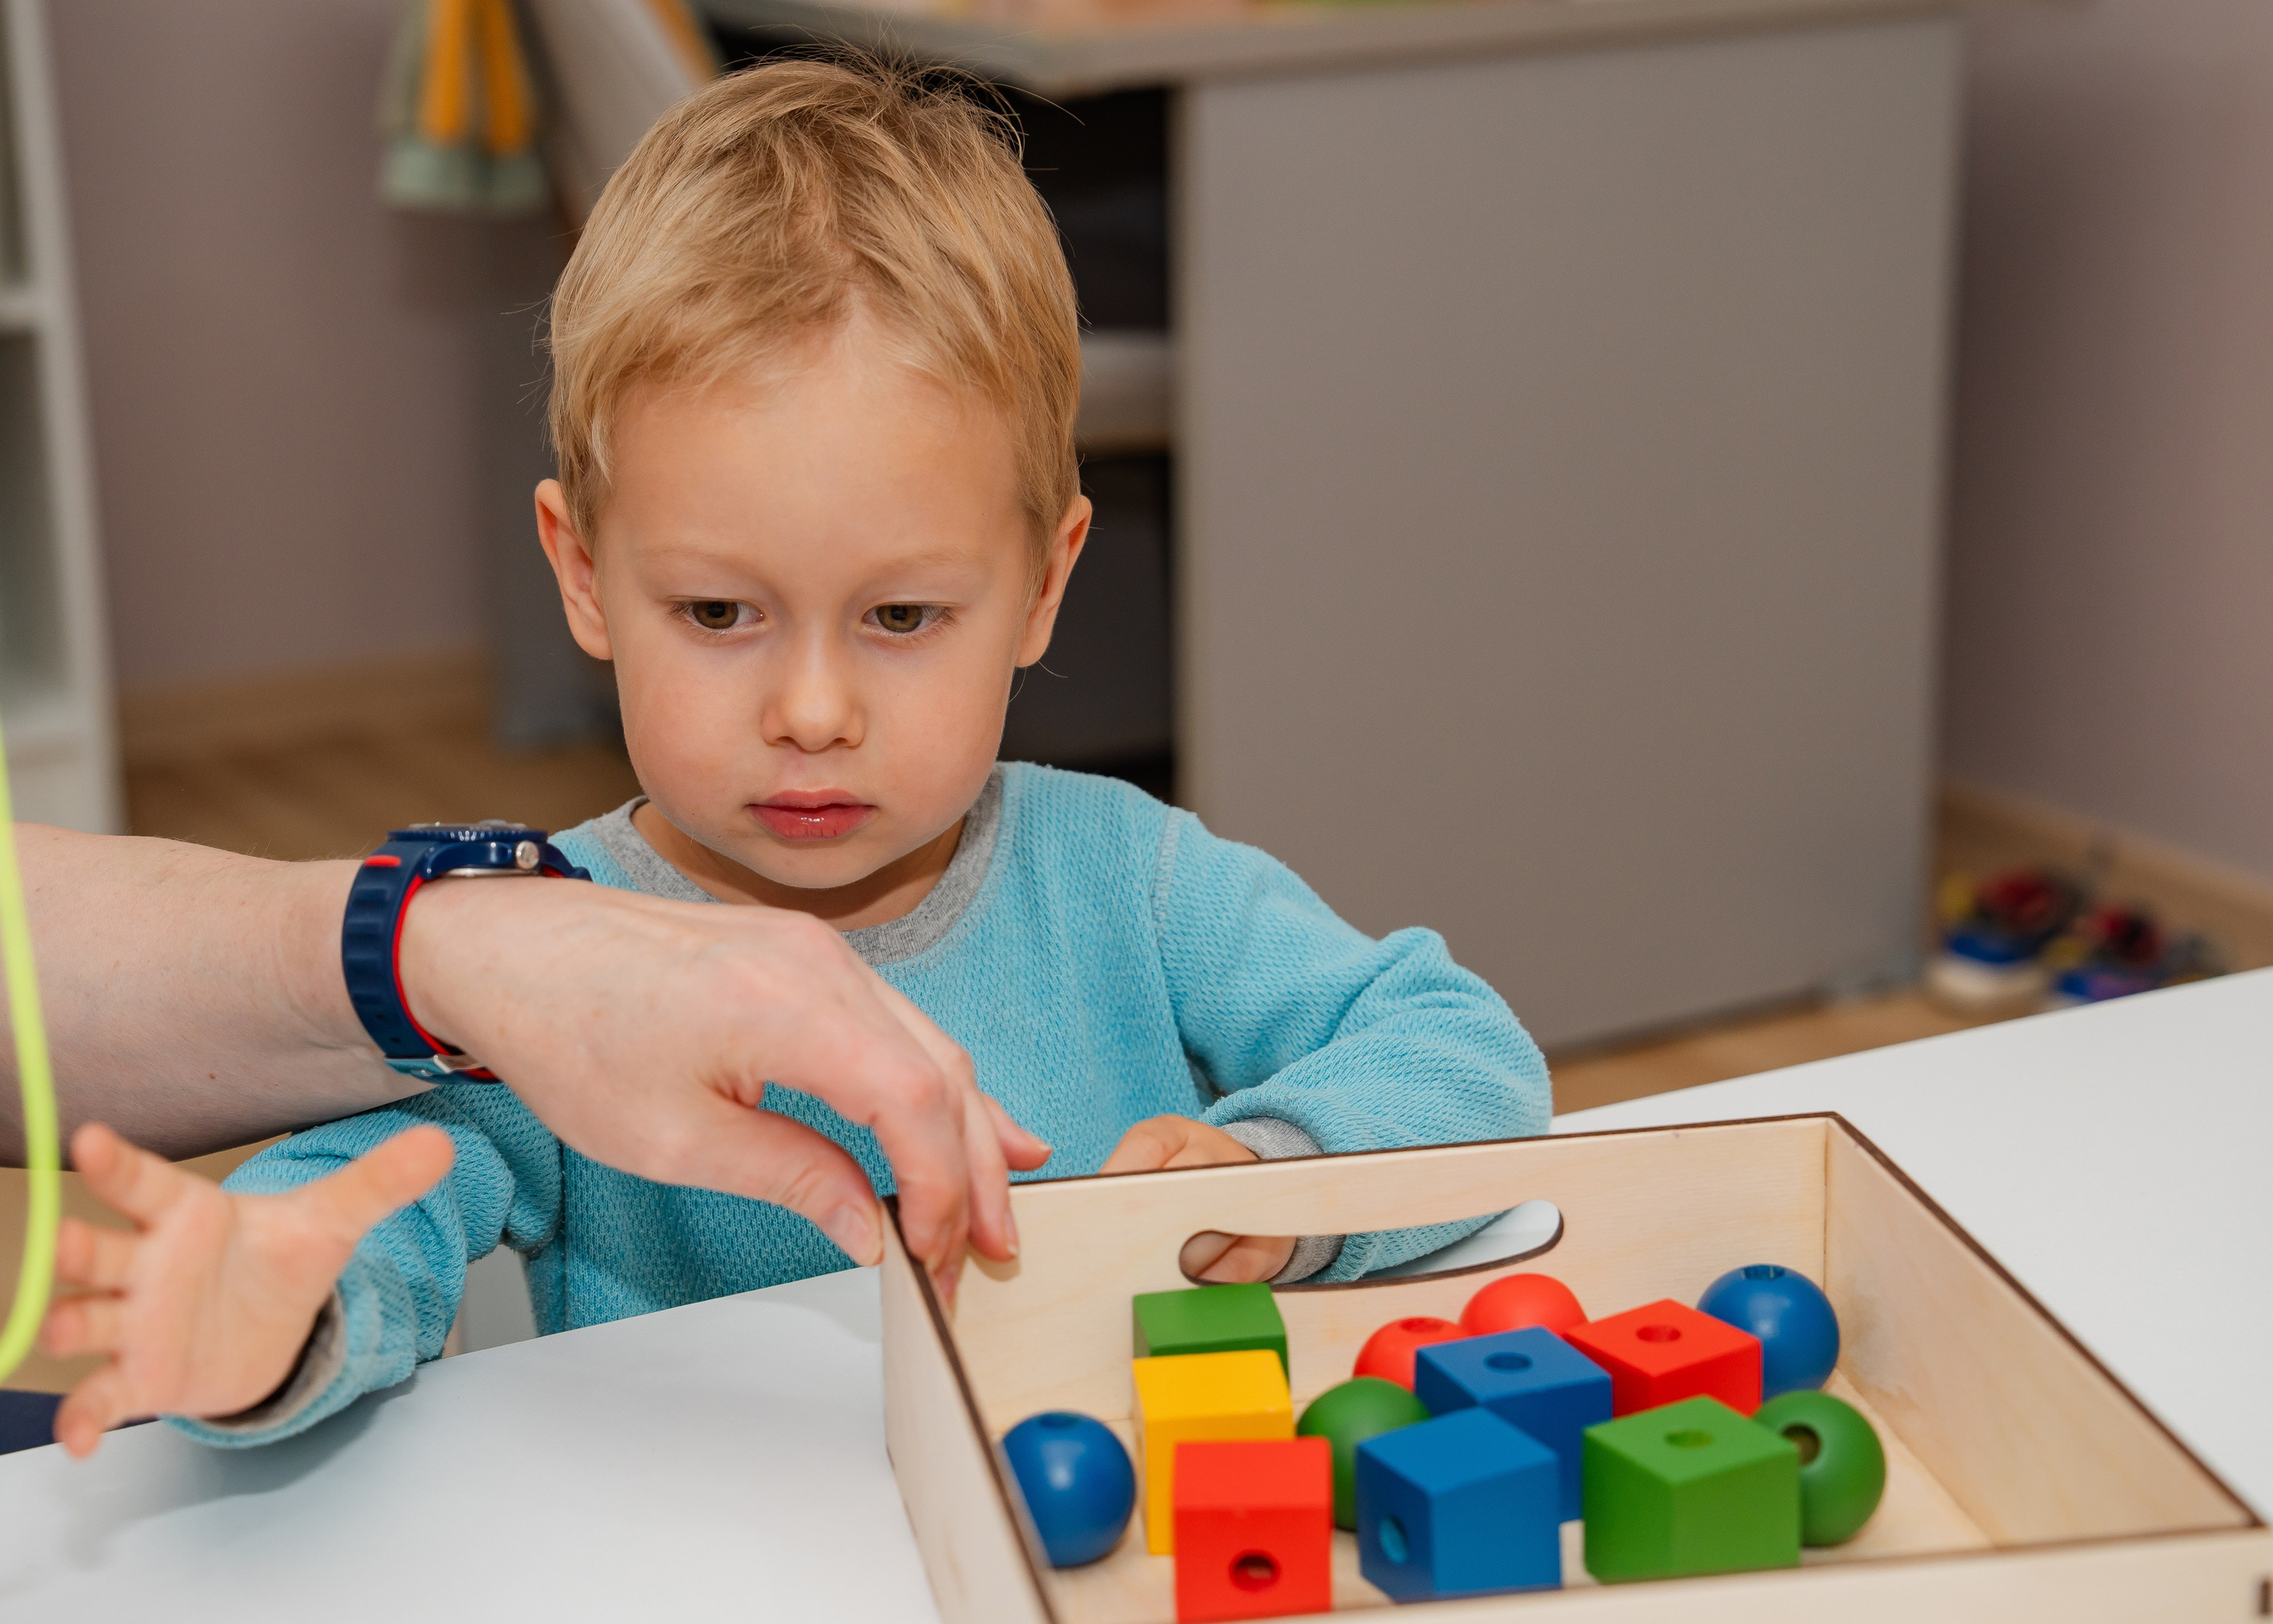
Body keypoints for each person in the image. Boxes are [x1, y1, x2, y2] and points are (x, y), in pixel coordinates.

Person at [42, 59, 1550, 1457]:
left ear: (1042, 584)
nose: (814, 709)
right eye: (717, 611)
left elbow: (1465, 1053)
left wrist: (1275, 1170)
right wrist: (267, 1318)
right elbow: (362, 1218)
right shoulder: (557, 950)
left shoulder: (1133, 879)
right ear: (582, 572)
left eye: (901, 612)